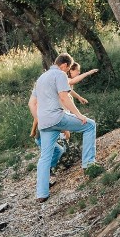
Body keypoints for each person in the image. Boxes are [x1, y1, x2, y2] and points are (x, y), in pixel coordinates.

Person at [30, 53, 98, 202]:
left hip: (44, 123)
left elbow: (32, 104)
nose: (67, 72)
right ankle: (88, 164)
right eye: (68, 70)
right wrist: (79, 115)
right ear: (65, 65)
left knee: (45, 157)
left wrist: (39, 119)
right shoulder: (60, 74)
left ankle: (41, 194)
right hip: (57, 117)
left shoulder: (40, 79)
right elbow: (64, 97)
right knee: (90, 125)